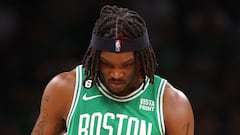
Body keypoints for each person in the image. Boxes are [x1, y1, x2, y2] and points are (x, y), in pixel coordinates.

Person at [31, 5, 194, 135]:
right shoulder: (65, 89)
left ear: (142, 61)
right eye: (107, 64)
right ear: (95, 58)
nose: (116, 74)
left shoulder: (172, 104)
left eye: (127, 64)